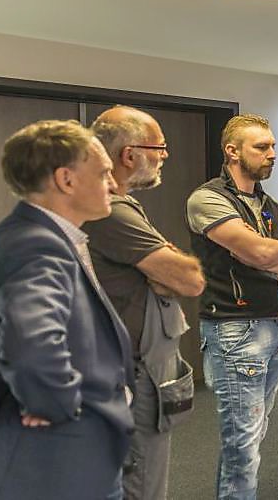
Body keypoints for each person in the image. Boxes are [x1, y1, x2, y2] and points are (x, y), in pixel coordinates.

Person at [0, 120, 133, 499]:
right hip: (57, 459)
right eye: (103, 173)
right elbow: (30, 346)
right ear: (66, 180)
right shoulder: (36, 245)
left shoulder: (28, 235)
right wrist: (56, 403)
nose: (114, 184)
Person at [186, 114, 278, 500]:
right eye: (261, 147)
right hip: (235, 331)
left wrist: (268, 252)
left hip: (276, 328)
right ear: (232, 151)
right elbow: (262, 253)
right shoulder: (208, 199)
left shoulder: (269, 203)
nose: (272, 154)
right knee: (242, 445)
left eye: (273, 146)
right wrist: (273, 250)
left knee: (251, 437)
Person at [85, 106, 206, 500]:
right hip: (134, 377)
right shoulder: (109, 210)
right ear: (129, 154)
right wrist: (166, 269)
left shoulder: (121, 205)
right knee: (140, 486)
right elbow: (189, 279)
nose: (165, 155)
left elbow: (174, 274)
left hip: (141, 369)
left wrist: (164, 268)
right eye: (159, 147)